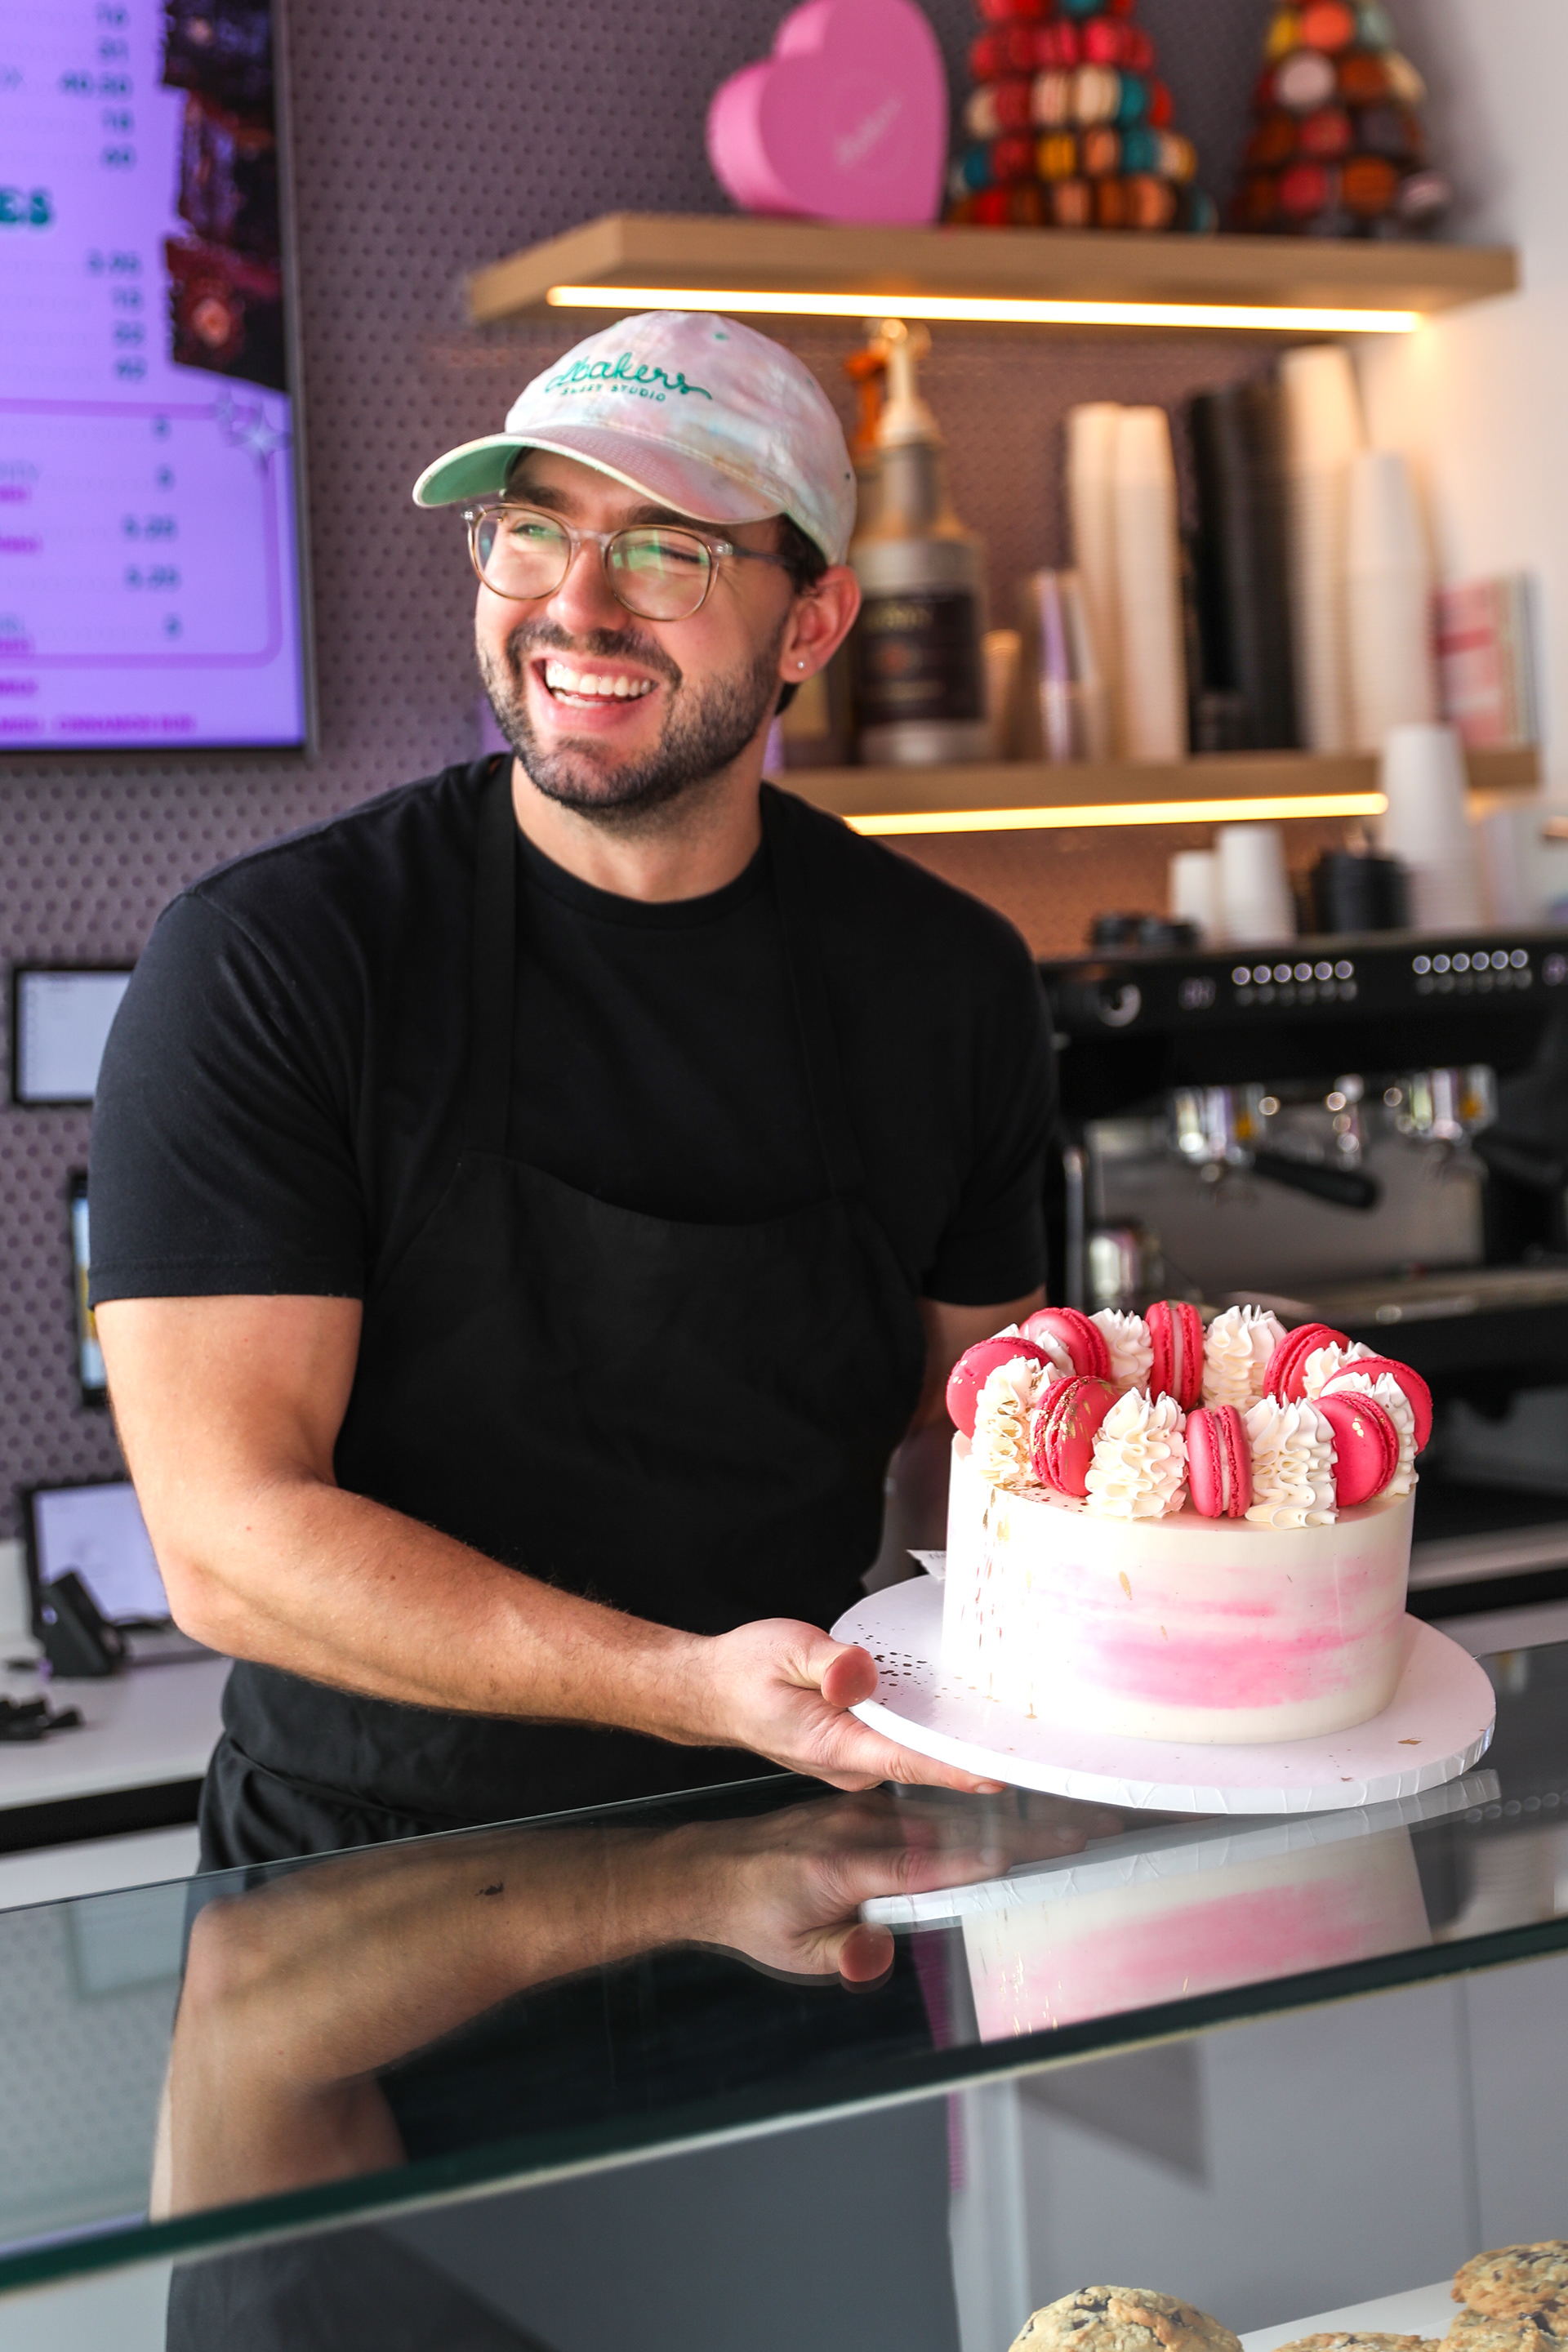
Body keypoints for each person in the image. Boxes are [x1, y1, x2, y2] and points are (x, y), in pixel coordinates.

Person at [90, 311, 1055, 1870]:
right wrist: (688, 1687)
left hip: (801, 1866)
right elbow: (224, 1542)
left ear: (812, 625)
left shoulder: (949, 983)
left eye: (668, 550)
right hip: (366, 1885)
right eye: (532, 531)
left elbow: (984, 1457)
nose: (577, 605)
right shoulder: (277, 959)